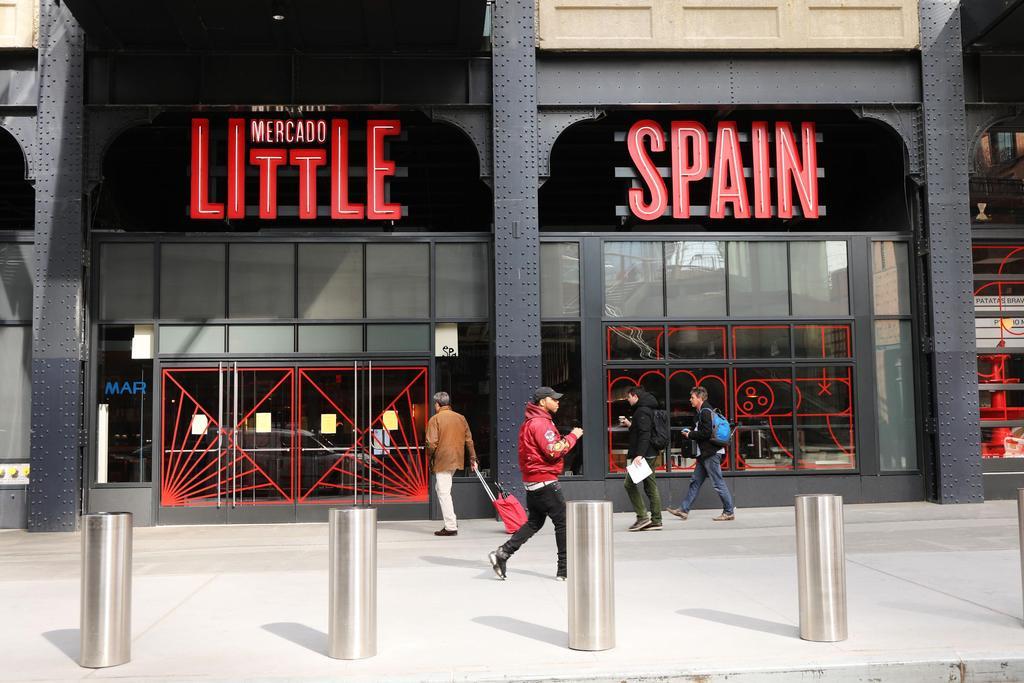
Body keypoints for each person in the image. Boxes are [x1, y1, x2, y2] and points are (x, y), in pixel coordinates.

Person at [488, 387, 583, 581]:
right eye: (553, 399)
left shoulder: (530, 422)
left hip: (533, 482)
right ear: (542, 402)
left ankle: (503, 553)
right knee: (563, 523)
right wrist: (573, 436)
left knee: (534, 522)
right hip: (545, 482)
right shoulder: (541, 423)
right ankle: (564, 571)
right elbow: (554, 451)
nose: (558, 402)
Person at [667, 386, 735, 521]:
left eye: (692, 397)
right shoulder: (702, 412)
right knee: (695, 482)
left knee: (718, 482)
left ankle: (729, 511)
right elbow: (703, 430)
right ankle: (684, 510)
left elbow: (706, 433)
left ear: (699, 398)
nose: (690, 400)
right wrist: (691, 431)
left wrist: (690, 434)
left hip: (711, 453)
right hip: (704, 454)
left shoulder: (705, 411)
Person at [425, 391, 477, 536]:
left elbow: (431, 443)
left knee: (443, 492)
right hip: (456, 459)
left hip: (443, 460)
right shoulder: (461, 418)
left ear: (437, 404)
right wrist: (473, 459)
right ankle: (451, 519)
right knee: (441, 488)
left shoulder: (435, 419)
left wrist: (430, 456)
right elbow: (469, 441)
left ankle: (450, 526)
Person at [619, 386, 663, 531]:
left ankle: (642, 517)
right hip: (649, 453)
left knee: (629, 484)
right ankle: (656, 520)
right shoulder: (646, 408)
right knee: (650, 486)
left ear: (635, 396)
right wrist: (630, 424)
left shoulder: (642, 410)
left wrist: (639, 455)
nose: (628, 400)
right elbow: (641, 430)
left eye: (628, 397)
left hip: (645, 455)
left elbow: (645, 434)